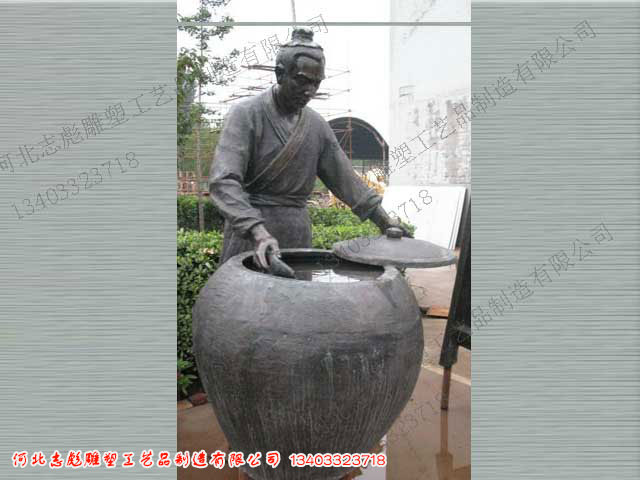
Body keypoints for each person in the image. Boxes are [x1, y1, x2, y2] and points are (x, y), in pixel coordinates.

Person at [209, 28, 409, 270]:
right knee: (245, 292)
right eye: (302, 81)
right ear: (280, 74)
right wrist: (256, 230)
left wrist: (384, 221)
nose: (310, 91)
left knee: (298, 292)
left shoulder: (316, 125)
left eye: (316, 83)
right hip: (251, 237)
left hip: (297, 234)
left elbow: (347, 181)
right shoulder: (246, 114)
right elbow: (223, 182)